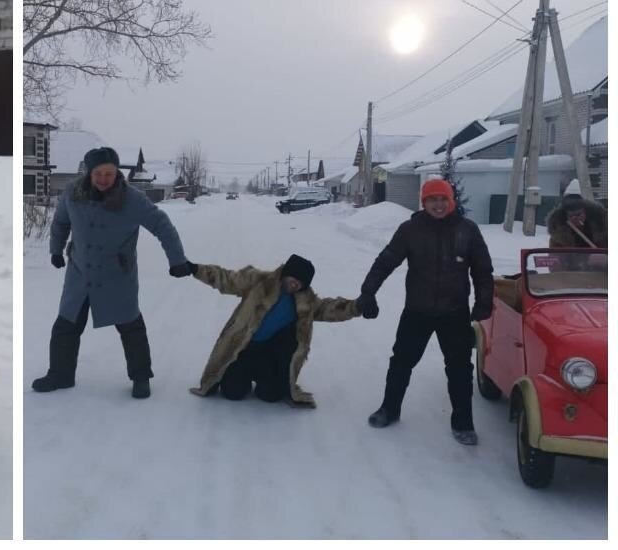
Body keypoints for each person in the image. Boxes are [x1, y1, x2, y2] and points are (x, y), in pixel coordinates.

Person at [31, 147, 193, 399]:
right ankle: (60, 374)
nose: (104, 179)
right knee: (66, 325)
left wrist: (177, 260)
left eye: (109, 173)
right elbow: (61, 221)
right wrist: (56, 249)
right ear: (89, 172)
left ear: (117, 172)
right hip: (80, 272)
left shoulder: (133, 199)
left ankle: (141, 378)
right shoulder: (73, 192)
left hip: (116, 274)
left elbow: (162, 226)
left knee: (130, 326)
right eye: (99, 173)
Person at [358, 178, 493, 445]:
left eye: (443, 199)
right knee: (401, 362)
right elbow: (385, 261)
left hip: (454, 312)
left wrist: (483, 304)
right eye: (433, 200)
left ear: (451, 200)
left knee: (459, 369)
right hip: (417, 311)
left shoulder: (467, 230)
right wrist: (368, 292)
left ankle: (463, 422)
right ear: (424, 203)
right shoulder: (410, 230)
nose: (439, 205)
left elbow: (482, 271)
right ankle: (389, 409)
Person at [187, 254, 367, 407]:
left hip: (270, 354)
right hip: (243, 348)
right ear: (285, 274)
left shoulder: (305, 302)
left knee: (271, 396)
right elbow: (227, 278)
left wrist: (357, 307)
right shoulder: (259, 281)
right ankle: (236, 376)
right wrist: (194, 269)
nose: (295, 285)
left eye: (300, 283)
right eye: (293, 279)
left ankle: (268, 381)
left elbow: (330, 308)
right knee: (233, 393)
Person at [547, 179, 606, 249]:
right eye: (571, 215)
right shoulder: (558, 233)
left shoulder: (602, 227)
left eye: (578, 214)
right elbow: (555, 256)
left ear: (586, 212)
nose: (575, 218)